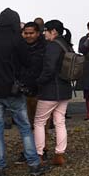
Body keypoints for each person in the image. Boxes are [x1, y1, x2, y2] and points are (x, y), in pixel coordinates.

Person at [0, 9, 48, 176]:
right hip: (13, 90)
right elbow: (27, 62)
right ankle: (34, 165)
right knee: (25, 128)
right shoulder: (17, 40)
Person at [34, 20, 74, 167]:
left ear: (53, 32)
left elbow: (49, 68)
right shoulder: (67, 45)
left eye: (46, 30)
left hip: (50, 90)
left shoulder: (52, 46)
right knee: (60, 121)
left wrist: (38, 81)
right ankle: (59, 154)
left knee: (39, 122)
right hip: (65, 90)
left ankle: (38, 154)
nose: (44, 33)